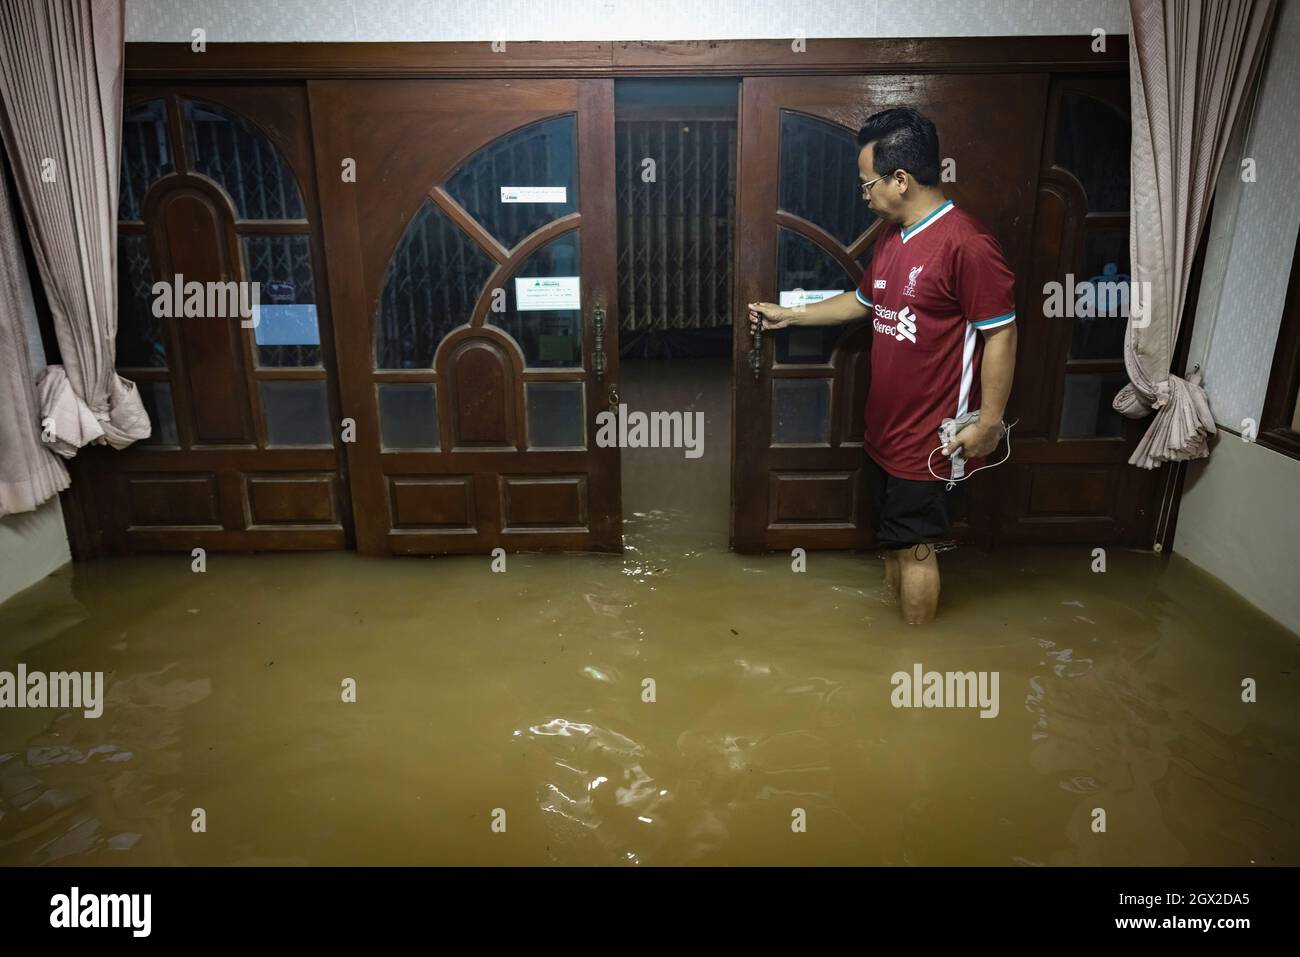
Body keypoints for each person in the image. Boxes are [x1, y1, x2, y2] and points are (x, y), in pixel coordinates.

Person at [748, 107, 1017, 624]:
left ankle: (912, 671)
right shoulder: (893, 237)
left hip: (934, 440)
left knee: (917, 548)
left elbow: (1001, 334)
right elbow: (864, 303)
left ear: (901, 179)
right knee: (896, 543)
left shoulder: (968, 244)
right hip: (886, 433)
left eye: (867, 183)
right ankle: (893, 652)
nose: (864, 194)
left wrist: (988, 426)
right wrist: (792, 316)